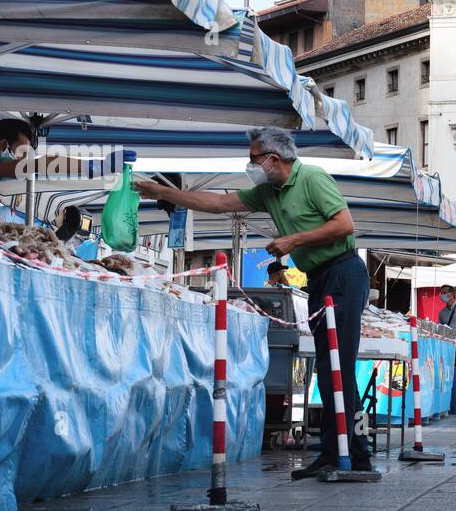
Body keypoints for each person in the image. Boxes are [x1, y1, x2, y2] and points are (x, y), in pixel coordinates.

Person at [135, 126, 371, 477]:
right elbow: (218, 203)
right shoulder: (269, 192)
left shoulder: (312, 178)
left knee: (340, 366)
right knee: (327, 366)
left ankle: (354, 456)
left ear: (274, 160)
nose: (251, 166)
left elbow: (344, 224)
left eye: (254, 159)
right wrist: (165, 192)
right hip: (321, 278)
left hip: (344, 272)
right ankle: (334, 453)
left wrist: (294, 240)